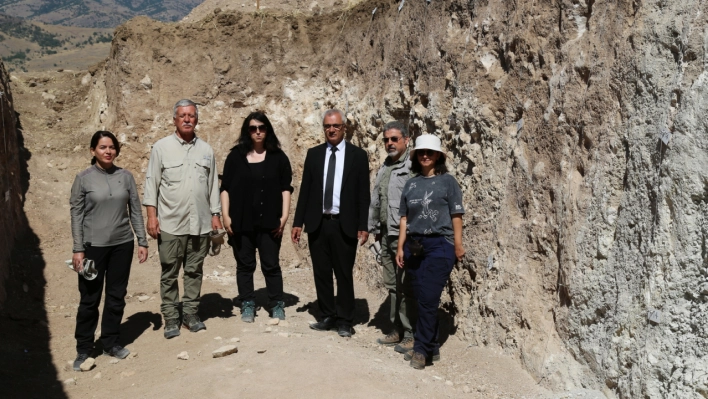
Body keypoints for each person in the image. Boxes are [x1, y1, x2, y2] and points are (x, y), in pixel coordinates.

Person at [143, 99, 222, 339]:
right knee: (169, 271)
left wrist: (215, 216)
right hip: (170, 223)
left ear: (196, 119)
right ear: (174, 119)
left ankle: (190, 314)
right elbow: (151, 184)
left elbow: (212, 187)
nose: (187, 119)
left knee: (194, 270)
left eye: (191, 115)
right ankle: (171, 318)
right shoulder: (161, 147)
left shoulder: (206, 150)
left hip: (199, 223)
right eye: (182, 115)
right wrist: (151, 217)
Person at [69, 131, 149, 371]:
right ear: (93, 150)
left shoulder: (125, 177)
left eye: (112, 147)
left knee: (116, 296)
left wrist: (142, 241)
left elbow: (135, 210)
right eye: (102, 147)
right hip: (92, 248)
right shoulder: (83, 178)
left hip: (122, 245)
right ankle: (84, 349)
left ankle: (110, 342)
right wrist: (78, 249)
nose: (108, 151)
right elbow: (76, 215)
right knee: (89, 299)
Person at [291, 109, 370, 337]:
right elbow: (305, 190)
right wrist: (298, 222)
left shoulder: (358, 156)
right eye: (327, 126)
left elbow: (363, 195)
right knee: (321, 271)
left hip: (344, 223)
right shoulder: (314, 154)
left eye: (335, 126)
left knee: (344, 273)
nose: (331, 130)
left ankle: (345, 319)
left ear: (344, 128)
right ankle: (327, 315)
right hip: (318, 222)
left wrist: (363, 225)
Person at [395, 134, 465, 370]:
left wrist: (457, 244)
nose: (425, 156)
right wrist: (400, 246)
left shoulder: (448, 182)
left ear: (438, 156)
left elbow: (456, 215)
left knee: (428, 298)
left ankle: (421, 350)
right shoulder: (411, 184)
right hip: (414, 245)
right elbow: (404, 218)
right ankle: (432, 347)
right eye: (421, 153)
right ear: (416, 156)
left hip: (440, 245)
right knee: (420, 296)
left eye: (430, 152)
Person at [220, 112, 293, 323]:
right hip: (241, 221)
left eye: (261, 127)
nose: (258, 131)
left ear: (267, 129)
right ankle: (248, 303)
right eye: (253, 128)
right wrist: (225, 216)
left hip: (270, 221)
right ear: (247, 131)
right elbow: (225, 188)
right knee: (245, 265)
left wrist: (285, 216)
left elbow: (285, 188)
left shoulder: (278, 157)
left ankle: (277, 303)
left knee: (271, 264)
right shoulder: (235, 157)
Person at [367, 121, 417, 354]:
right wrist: (373, 229)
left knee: (405, 285)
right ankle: (396, 328)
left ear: (406, 140)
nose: (389, 143)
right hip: (385, 234)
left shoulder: (413, 167)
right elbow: (377, 201)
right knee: (392, 285)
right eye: (386, 139)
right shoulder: (385, 166)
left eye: (394, 139)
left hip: (403, 236)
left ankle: (410, 334)